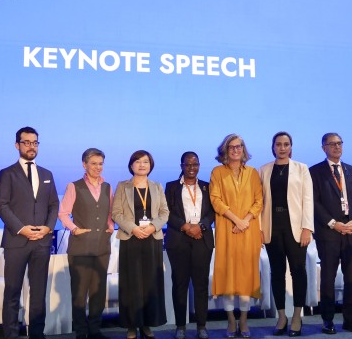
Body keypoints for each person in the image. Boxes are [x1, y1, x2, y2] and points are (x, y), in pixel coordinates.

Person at [0, 127, 59, 339]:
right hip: (16, 241)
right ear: (17, 145)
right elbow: (2, 205)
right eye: (26, 142)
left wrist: (48, 228)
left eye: (35, 143)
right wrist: (22, 229)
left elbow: (53, 205)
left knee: (39, 293)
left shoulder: (47, 174)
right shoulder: (7, 173)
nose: (31, 146)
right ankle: (11, 335)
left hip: (41, 242)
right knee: (12, 292)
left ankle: (37, 334)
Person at [308, 133, 352, 335]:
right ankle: (328, 320)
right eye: (332, 144)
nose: (336, 147)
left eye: (339, 143)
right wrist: (334, 224)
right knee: (328, 278)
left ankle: (350, 319)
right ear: (324, 147)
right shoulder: (314, 172)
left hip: (351, 232)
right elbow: (314, 203)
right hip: (329, 233)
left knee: (351, 279)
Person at [259, 132, 313, 337]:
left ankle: (297, 315)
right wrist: (260, 230)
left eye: (286, 144)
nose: (282, 148)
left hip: (297, 228)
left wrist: (307, 227)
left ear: (291, 147)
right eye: (278, 144)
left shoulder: (301, 168)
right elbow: (260, 202)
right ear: (273, 147)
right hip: (273, 227)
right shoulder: (264, 170)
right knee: (276, 272)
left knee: (298, 271)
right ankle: (281, 316)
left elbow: (308, 199)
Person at [209, 134, 263, 339]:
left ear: (243, 149)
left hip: (248, 231)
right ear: (225, 150)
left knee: (247, 277)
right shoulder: (217, 172)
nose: (235, 150)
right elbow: (215, 200)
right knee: (229, 276)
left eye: (238, 146)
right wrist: (236, 220)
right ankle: (231, 320)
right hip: (227, 230)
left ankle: (244, 320)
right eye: (231, 147)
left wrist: (246, 221)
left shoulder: (253, 173)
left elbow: (259, 201)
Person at [111, 150, 168, 339]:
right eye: (138, 161)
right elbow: (116, 213)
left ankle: (147, 324)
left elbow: (164, 212)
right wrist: (134, 228)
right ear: (131, 165)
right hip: (131, 238)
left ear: (150, 165)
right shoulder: (122, 186)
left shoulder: (157, 187)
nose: (142, 165)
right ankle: (131, 325)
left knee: (151, 282)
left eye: (145, 162)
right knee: (131, 283)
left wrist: (152, 227)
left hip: (152, 239)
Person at [58, 148, 114, 339]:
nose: (98, 167)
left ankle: (95, 330)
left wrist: (110, 226)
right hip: (80, 247)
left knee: (98, 291)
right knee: (80, 292)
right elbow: (63, 213)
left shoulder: (107, 186)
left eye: (100, 164)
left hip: (102, 247)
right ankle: (81, 332)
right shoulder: (74, 186)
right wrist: (74, 229)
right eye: (94, 163)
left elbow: (110, 212)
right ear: (84, 164)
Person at [165, 152, 215, 339]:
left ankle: (202, 326)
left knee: (201, 284)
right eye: (188, 165)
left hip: (202, 238)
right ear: (182, 166)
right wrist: (186, 227)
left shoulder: (207, 187)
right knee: (180, 284)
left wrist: (200, 226)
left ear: (199, 165)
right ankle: (180, 326)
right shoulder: (171, 187)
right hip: (179, 239)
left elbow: (212, 212)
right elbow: (166, 213)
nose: (191, 168)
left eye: (195, 164)